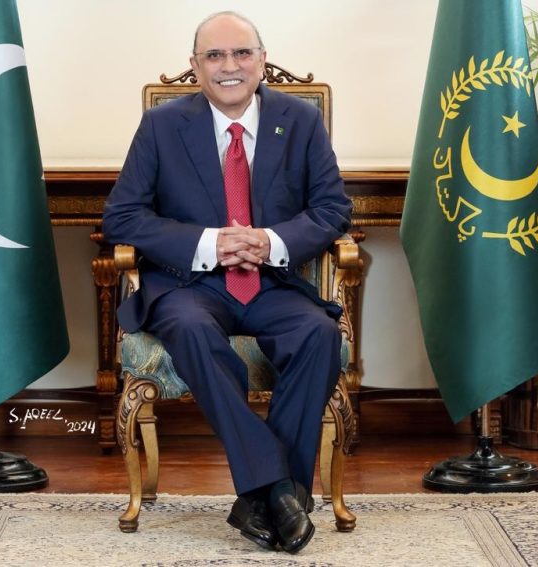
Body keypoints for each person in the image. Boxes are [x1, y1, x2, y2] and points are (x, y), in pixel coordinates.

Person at [102, 11, 351, 554]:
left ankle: (263, 497)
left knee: (318, 334)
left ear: (262, 60)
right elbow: (122, 217)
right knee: (191, 330)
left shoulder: (300, 120)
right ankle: (281, 490)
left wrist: (271, 241)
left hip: (273, 282)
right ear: (195, 66)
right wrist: (209, 243)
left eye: (241, 53)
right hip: (189, 286)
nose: (229, 66)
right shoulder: (162, 125)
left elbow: (333, 209)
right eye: (214, 55)